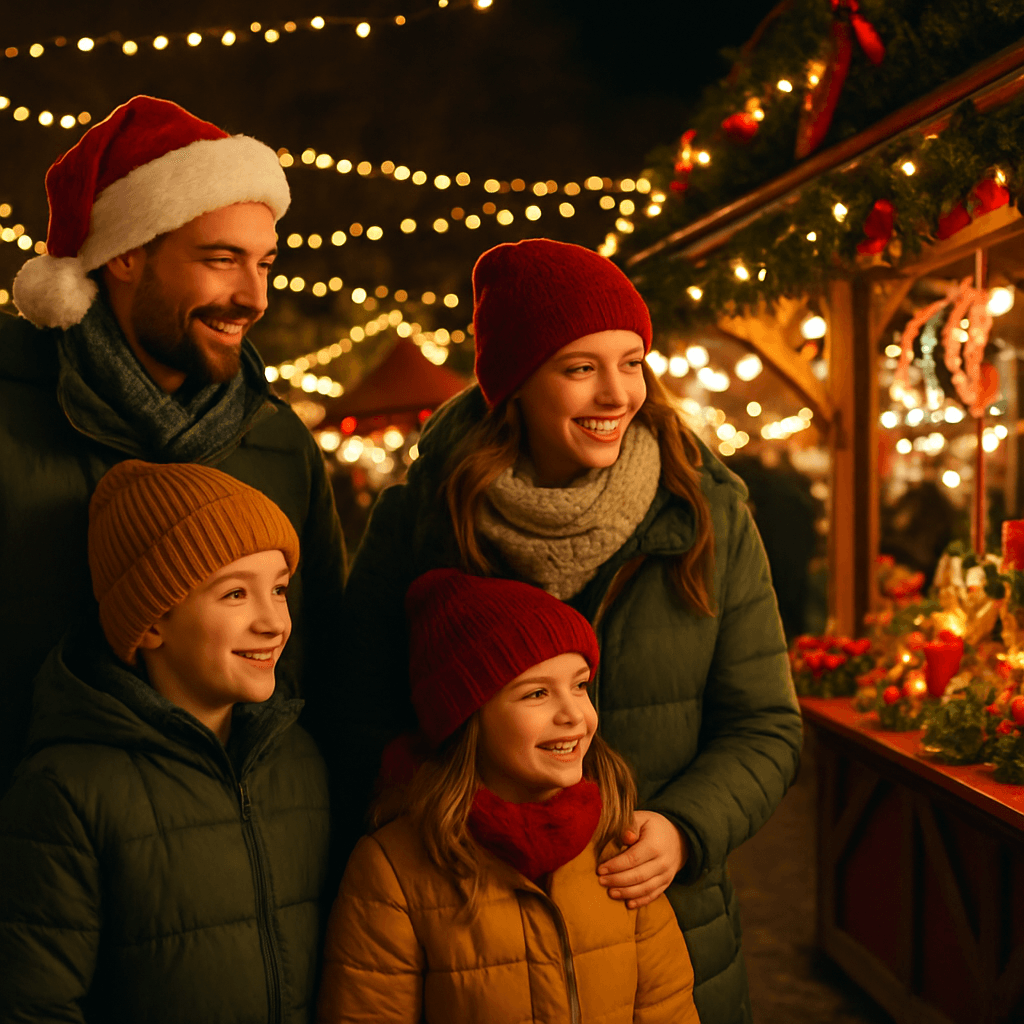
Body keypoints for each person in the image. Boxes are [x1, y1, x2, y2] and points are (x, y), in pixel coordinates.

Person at [339, 238, 802, 1024]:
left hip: (661, 925)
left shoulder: (705, 514)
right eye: (580, 367)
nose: (616, 392)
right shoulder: (426, 520)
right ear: (515, 383)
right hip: (475, 940)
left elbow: (766, 725)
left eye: (631, 362)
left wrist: (686, 829)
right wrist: (444, 821)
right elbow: (358, 710)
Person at [0, 95, 346, 792]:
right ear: (126, 255)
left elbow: (330, 662)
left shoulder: (277, 441)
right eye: (222, 260)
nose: (254, 297)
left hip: (243, 851)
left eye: (266, 264)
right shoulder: (12, 414)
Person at [0, 460, 330, 1023]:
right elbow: (35, 1006)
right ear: (150, 622)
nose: (274, 621)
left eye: (278, 590)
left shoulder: (298, 759)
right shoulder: (69, 790)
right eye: (234, 595)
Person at [318, 568, 700, 1024]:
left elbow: (668, 1008)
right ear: (467, 718)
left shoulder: (620, 847)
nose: (573, 715)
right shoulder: (392, 872)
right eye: (536, 693)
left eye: (579, 685)